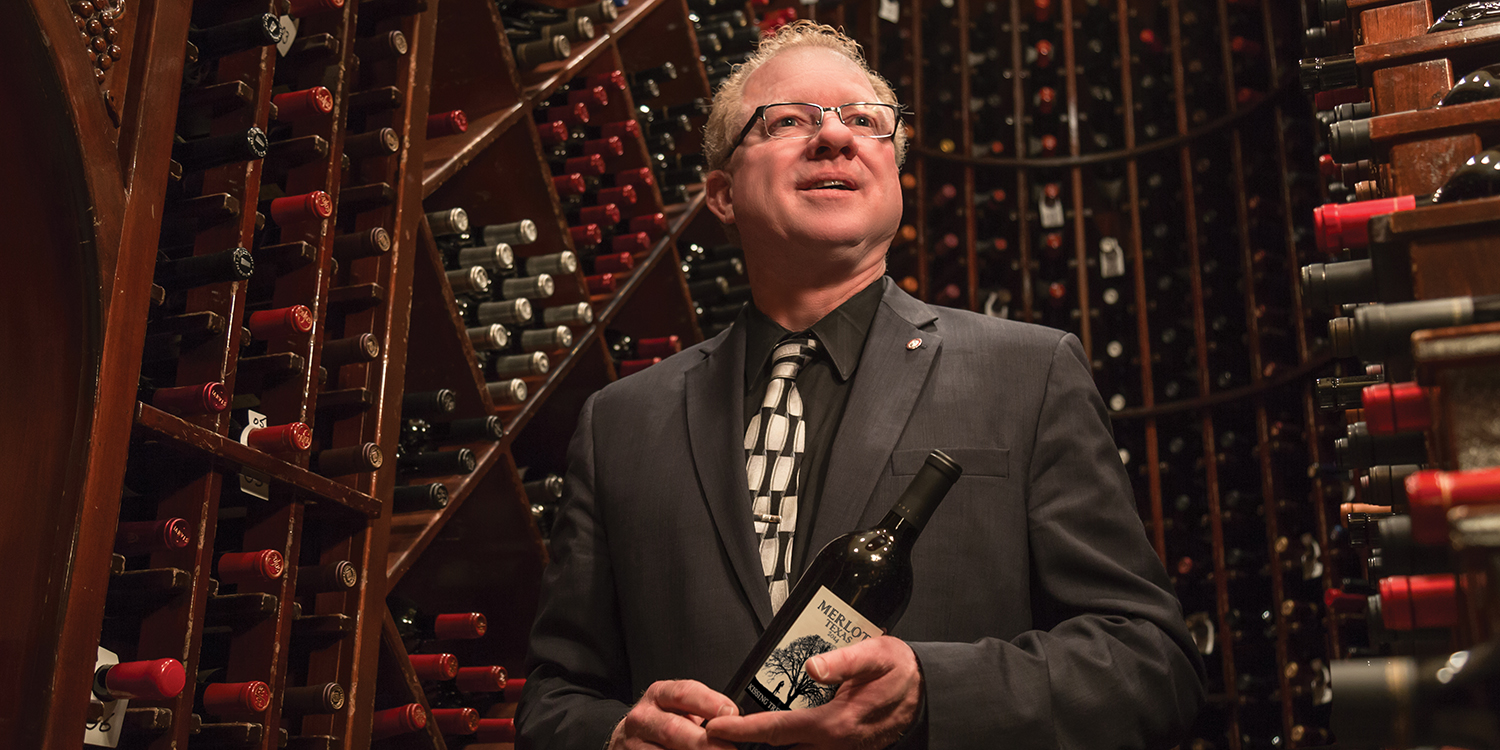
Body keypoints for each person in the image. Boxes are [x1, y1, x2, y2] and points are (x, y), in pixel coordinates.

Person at [518, 21, 1205, 750]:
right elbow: (556, 697)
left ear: (893, 176)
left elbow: (1152, 663)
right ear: (721, 194)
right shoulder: (620, 422)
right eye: (788, 121)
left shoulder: (1030, 374)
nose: (835, 137)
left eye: (866, 122)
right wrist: (615, 736)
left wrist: (932, 694)